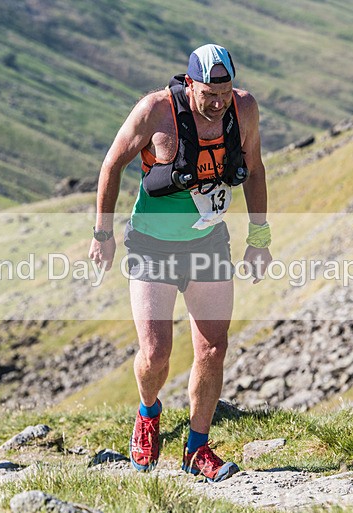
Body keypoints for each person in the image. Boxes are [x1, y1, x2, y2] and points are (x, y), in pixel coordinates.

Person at [89, 44, 272, 482]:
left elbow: (256, 167)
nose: (217, 102)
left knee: (213, 347)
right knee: (155, 353)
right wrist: (102, 234)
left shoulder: (243, 109)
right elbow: (112, 164)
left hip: (208, 242)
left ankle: (196, 448)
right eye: (208, 93)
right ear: (190, 83)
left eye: (224, 92)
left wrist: (260, 237)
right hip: (152, 245)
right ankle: (149, 414)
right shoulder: (155, 111)